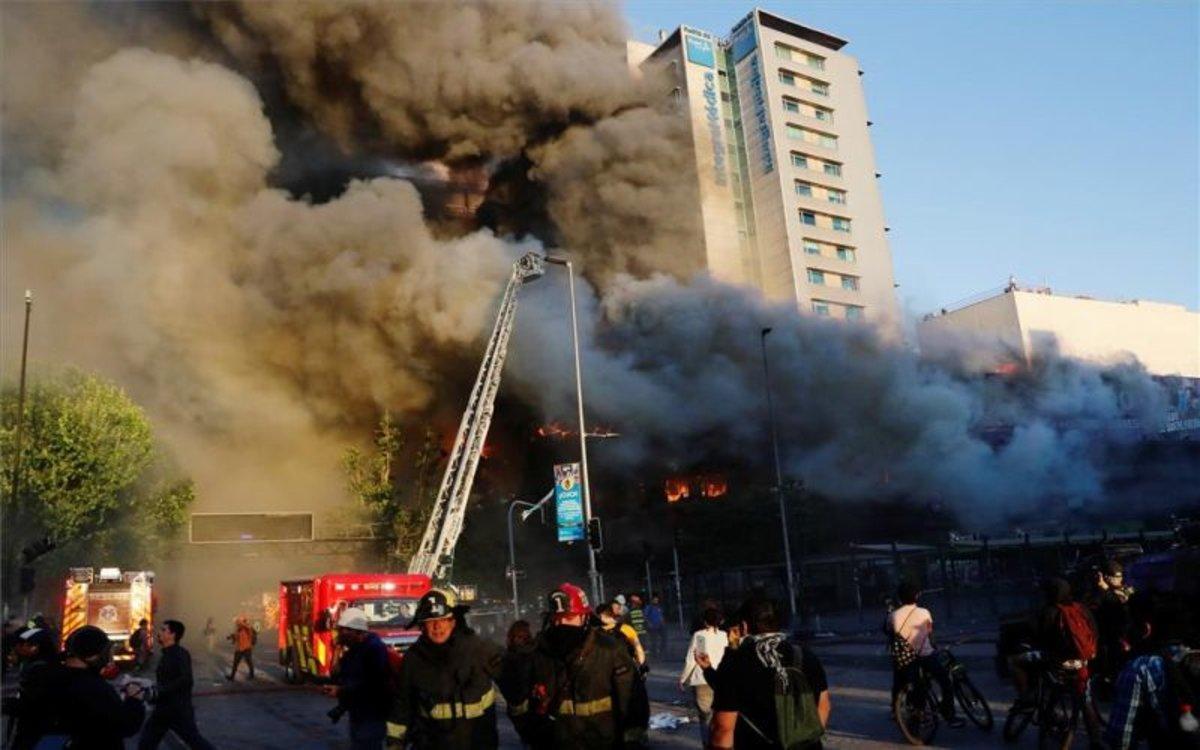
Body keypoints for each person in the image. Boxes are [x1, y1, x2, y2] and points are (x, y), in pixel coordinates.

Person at [522, 583, 638, 749]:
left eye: (569, 618)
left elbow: (633, 700)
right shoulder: (541, 653)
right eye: (557, 619)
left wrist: (631, 742)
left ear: (585, 618)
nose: (562, 623)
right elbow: (529, 708)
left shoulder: (609, 649)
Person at [710, 595, 830, 750]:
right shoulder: (805, 655)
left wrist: (732, 648)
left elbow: (723, 728)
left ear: (744, 626)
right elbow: (824, 706)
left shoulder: (736, 663)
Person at [387, 588, 502, 749]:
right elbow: (402, 705)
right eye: (430, 621)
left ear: (453, 621)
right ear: (422, 625)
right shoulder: (413, 660)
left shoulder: (478, 649)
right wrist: (395, 744)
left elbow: (512, 679)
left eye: (443, 619)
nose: (437, 626)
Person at [1035, 577, 1105, 746]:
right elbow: (1094, 632)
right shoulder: (1081, 608)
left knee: (1047, 684)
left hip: (1059, 665)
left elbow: (1042, 639)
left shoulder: (1049, 611)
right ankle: (1096, 742)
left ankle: (1049, 717)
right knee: (1085, 701)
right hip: (1083, 664)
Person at [58, 624, 146, 749]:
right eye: (105, 653)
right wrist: (134, 700)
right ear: (91, 656)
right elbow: (125, 726)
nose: (107, 659)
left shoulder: (57, 678)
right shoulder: (94, 689)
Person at [888, 582, 963, 727]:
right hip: (927, 656)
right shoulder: (924, 612)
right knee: (945, 681)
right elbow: (929, 633)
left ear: (899, 598)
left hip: (907, 659)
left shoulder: (894, 616)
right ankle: (948, 714)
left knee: (915, 686)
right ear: (917, 596)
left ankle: (916, 718)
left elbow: (889, 631)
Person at [137, 619, 215, 750]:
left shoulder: (180, 654)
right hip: (162, 709)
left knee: (195, 741)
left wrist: (159, 691)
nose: (159, 633)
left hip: (178, 710)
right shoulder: (166, 654)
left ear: (172, 635)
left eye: (163, 630)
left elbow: (186, 679)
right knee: (146, 743)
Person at [323, 607, 391, 749]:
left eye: (343, 630)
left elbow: (374, 684)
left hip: (372, 716)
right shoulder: (354, 650)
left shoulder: (374, 649)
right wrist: (337, 650)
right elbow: (338, 675)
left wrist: (341, 691)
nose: (340, 634)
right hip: (358, 714)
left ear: (357, 631)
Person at [597, 602, 649, 746]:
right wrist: (641, 665)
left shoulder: (594, 633)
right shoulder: (626, 629)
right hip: (627, 675)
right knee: (634, 705)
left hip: (603, 676)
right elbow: (638, 649)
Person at [5, 627, 65, 750]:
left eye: (20, 645)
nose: (16, 649)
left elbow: (35, 705)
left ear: (34, 647)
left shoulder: (40, 670)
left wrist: (11, 706)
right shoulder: (49, 665)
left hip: (37, 733)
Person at [679, 607, 728, 747]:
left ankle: (708, 744)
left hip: (703, 680)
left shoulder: (700, 636)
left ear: (705, 622)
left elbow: (693, 659)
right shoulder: (725, 635)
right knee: (720, 715)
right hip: (722, 680)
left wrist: (683, 678)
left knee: (706, 718)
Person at [497, 620, 537, 747]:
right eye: (518, 636)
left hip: (529, 712)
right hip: (520, 711)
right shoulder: (509, 659)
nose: (521, 640)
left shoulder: (530, 656)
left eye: (524, 636)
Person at [227, 614, 255, 681]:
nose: (236, 624)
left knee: (249, 662)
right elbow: (236, 636)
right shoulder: (238, 629)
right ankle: (232, 676)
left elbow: (250, 630)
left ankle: (252, 674)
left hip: (246, 648)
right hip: (239, 648)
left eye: (237, 623)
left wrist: (242, 623)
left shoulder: (247, 628)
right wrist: (231, 637)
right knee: (235, 663)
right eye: (236, 623)